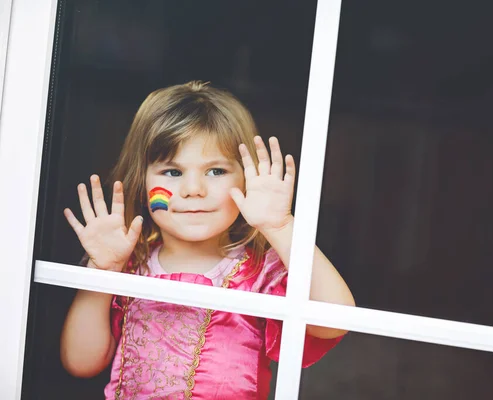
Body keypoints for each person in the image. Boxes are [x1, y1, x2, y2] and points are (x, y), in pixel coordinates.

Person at [60, 81, 355, 399]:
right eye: (172, 172)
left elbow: (334, 321)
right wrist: (101, 273)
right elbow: (80, 363)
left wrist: (281, 227)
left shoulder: (258, 271)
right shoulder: (128, 266)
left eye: (215, 171)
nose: (193, 189)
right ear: (141, 184)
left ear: (246, 179)